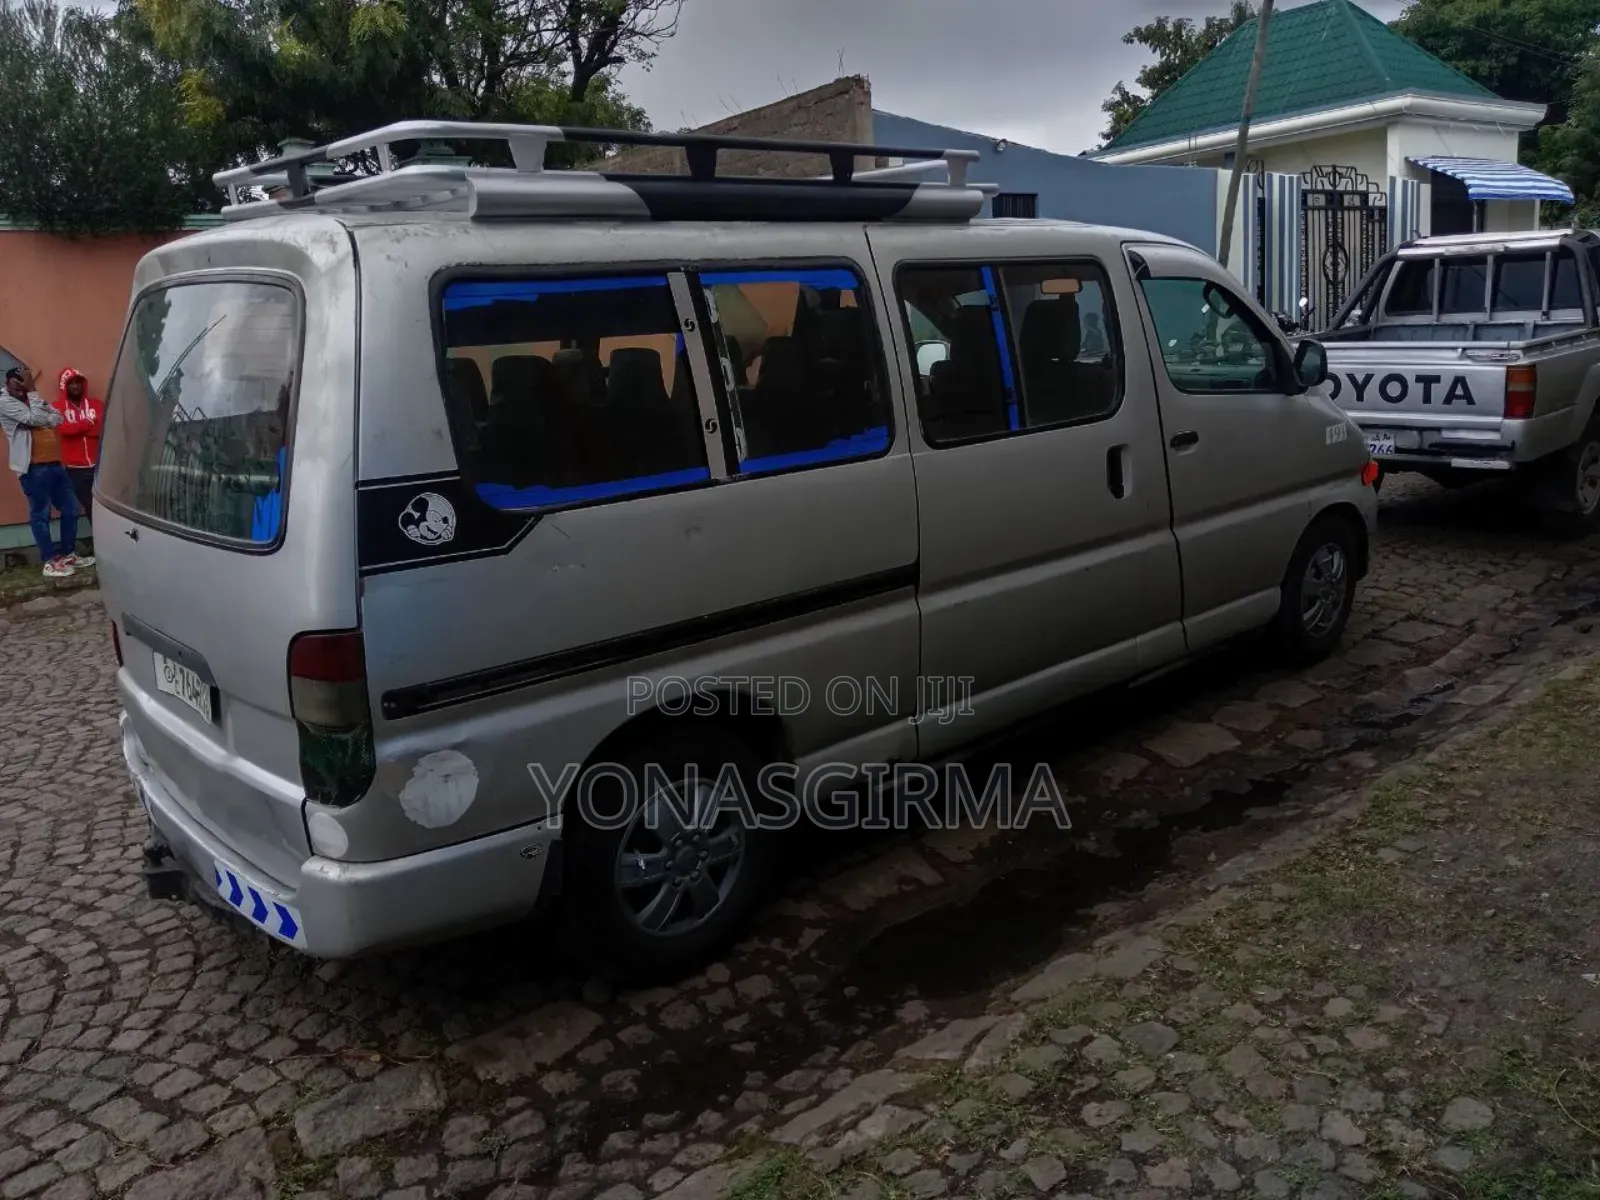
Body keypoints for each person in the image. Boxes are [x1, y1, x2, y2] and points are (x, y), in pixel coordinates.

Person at [0, 366, 90, 578]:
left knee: (71, 509)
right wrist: (33, 394)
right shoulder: (5, 402)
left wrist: (39, 411)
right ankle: (50, 560)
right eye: (17, 385)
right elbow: (36, 419)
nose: (21, 390)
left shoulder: (33, 399)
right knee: (41, 514)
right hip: (33, 468)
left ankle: (68, 553)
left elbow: (57, 417)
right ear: (8, 384)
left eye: (24, 385)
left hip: (55, 464)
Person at [53, 367, 104, 542]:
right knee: (84, 506)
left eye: (78, 382)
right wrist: (88, 423)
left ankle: (103, 541)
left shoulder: (96, 404)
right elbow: (64, 430)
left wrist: (81, 428)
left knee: (100, 506)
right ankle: (96, 542)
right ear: (64, 386)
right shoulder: (57, 407)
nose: (75, 386)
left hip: (98, 465)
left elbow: (100, 429)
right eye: (71, 383)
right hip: (75, 468)